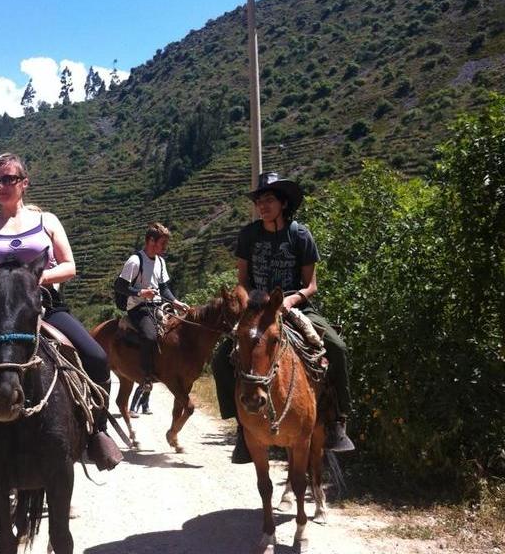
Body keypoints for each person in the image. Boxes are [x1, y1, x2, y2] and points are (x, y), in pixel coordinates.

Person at [0, 153, 122, 497]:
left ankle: (96, 433)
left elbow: (69, 266)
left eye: (10, 178)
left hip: (44, 307)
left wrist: (30, 283)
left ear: (24, 182)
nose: (3, 185)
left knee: (96, 358)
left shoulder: (46, 221)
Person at [212, 171, 355, 464]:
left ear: (283, 203)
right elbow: (242, 280)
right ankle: (242, 428)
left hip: (294, 305)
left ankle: (337, 420)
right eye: (259, 200)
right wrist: (253, 301)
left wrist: (289, 300)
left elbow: (311, 285)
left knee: (337, 348)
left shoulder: (300, 234)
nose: (262, 206)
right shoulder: (248, 235)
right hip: (258, 308)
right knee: (220, 359)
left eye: (268, 200)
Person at [113, 223, 189, 392]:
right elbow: (120, 286)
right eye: (162, 243)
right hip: (138, 307)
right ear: (150, 241)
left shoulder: (161, 262)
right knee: (149, 336)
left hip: (158, 305)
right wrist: (141, 293)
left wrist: (176, 302)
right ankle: (146, 376)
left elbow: (163, 288)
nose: (164, 247)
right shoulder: (135, 261)